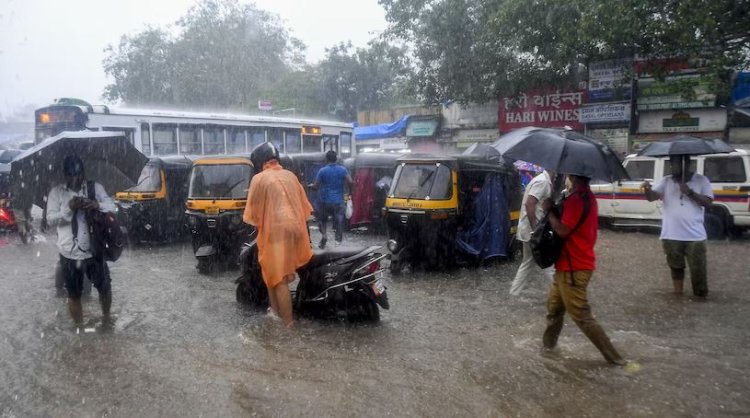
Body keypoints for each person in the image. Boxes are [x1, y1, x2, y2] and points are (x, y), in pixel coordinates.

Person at [541, 174, 626, 365]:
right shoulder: (586, 196)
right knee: (554, 310)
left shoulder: (576, 200)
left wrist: (549, 212)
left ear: (572, 175)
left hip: (573, 268)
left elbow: (563, 230)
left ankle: (617, 360)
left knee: (582, 316)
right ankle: (547, 350)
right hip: (569, 266)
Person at [244, 142, 313, 328]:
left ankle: (288, 325)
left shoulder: (259, 179)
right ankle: (274, 313)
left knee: (279, 278)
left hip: (276, 230)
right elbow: (304, 205)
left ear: (259, 161)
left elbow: (254, 212)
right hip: (296, 228)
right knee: (271, 272)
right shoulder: (290, 175)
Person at [46, 155, 116, 328]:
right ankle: (79, 328)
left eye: (78, 175)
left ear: (83, 173)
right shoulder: (56, 192)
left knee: (105, 288)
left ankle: (107, 318)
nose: (75, 179)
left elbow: (113, 206)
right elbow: (50, 220)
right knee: (74, 294)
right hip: (69, 253)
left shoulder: (95, 188)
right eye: (71, 175)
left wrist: (96, 205)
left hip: (95, 250)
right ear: (65, 175)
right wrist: (68, 208)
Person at [642, 155, 713, 298]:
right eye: (671, 165)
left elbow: (708, 202)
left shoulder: (701, 180)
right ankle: (678, 295)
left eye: (675, 164)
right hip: (671, 234)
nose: (672, 168)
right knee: (675, 267)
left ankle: (700, 297)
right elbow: (652, 197)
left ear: (686, 164)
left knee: (698, 269)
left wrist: (690, 192)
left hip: (695, 235)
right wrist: (647, 189)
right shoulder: (666, 181)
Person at [509, 170, 556, 296]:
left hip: (530, 230)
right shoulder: (542, 181)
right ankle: (559, 295)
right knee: (547, 263)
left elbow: (538, 204)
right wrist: (535, 229)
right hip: (534, 231)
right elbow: (530, 203)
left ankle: (515, 291)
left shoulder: (543, 180)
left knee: (528, 262)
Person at [310, 150, 353, 248]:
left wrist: (311, 186)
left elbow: (316, 186)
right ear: (336, 159)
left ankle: (324, 235)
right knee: (339, 220)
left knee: (322, 220)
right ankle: (337, 242)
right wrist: (349, 192)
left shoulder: (322, 171)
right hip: (338, 201)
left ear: (326, 159)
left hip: (325, 201)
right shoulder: (343, 170)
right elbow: (350, 181)